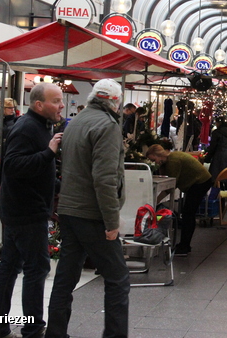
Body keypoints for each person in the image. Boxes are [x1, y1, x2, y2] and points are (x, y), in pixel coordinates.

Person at [46, 79, 129, 338]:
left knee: (66, 276)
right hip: (92, 213)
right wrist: (112, 221)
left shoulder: (76, 121)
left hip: (69, 210)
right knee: (117, 278)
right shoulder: (107, 125)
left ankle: (56, 333)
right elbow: (104, 178)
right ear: (115, 101)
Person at [0, 83, 64, 338]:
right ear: (39, 105)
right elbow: (15, 166)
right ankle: (33, 328)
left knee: (10, 266)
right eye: (56, 101)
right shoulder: (28, 127)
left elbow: (36, 169)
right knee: (36, 267)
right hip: (25, 211)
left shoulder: (40, 126)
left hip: (22, 208)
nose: (61, 105)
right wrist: (49, 153)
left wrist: (57, 183)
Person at [146, 144, 212, 256]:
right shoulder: (171, 158)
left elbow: (170, 186)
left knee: (188, 214)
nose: (154, 163)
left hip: (199, 182)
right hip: (200, 181)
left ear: (159, 155)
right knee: (188, 213)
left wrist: (154, 201)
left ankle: (184, 246)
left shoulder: (173, 162)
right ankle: (184, 245)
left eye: (154, 159)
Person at [204, 116, 227, 181]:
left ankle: (216, 191)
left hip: (218, 159)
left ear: (218, 123)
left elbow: (212, 147)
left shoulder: (216, 133)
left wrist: (207, 159)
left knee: (216, 180)